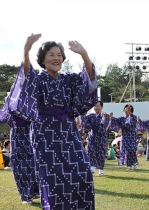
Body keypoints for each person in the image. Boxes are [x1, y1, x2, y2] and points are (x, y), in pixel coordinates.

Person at [8, 34, 98, 209]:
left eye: (59, 55)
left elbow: (90, 81)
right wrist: (26, 50)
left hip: (68, 131)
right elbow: (26, 76)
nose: (56, 58)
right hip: (45, 134)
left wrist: (84, 53)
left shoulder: (68, 80)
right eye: (51, 54)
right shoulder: (38, 79)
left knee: (83, 173)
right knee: (53, 180)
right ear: (43, 59)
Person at [0, 96, 39, 204]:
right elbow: (4, 116)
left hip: (30, 133)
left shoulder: (32, 95)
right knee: (19, 166)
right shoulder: (10, 99)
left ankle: (34, 191)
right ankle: (27, 194)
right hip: (18, 134)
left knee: (33, 163)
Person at [82, 101, 109, 176]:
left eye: (98, 106)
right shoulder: (91, 115)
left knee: (100, 153)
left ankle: (101, 169)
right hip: (92, 136)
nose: (96, 107)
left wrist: (103, 118)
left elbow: (105, 124)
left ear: (101, 107)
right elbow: (85, 122)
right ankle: (92, 167)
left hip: (101, 136)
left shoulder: (105, 115)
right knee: (91, 151)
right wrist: (83, 112)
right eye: (95, 106)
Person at [108, 104, 138, 170]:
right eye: (125, 109)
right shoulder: (122, 118)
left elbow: (131, 124)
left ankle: (135, 162)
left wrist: (130, 115)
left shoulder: (134, 117)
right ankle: (129, 165)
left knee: (131, 150)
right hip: (124, 136)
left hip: (132, 136)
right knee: (126, 151)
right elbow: (115, 121)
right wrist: (111, 118)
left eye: (128, 109)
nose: (126, 111)